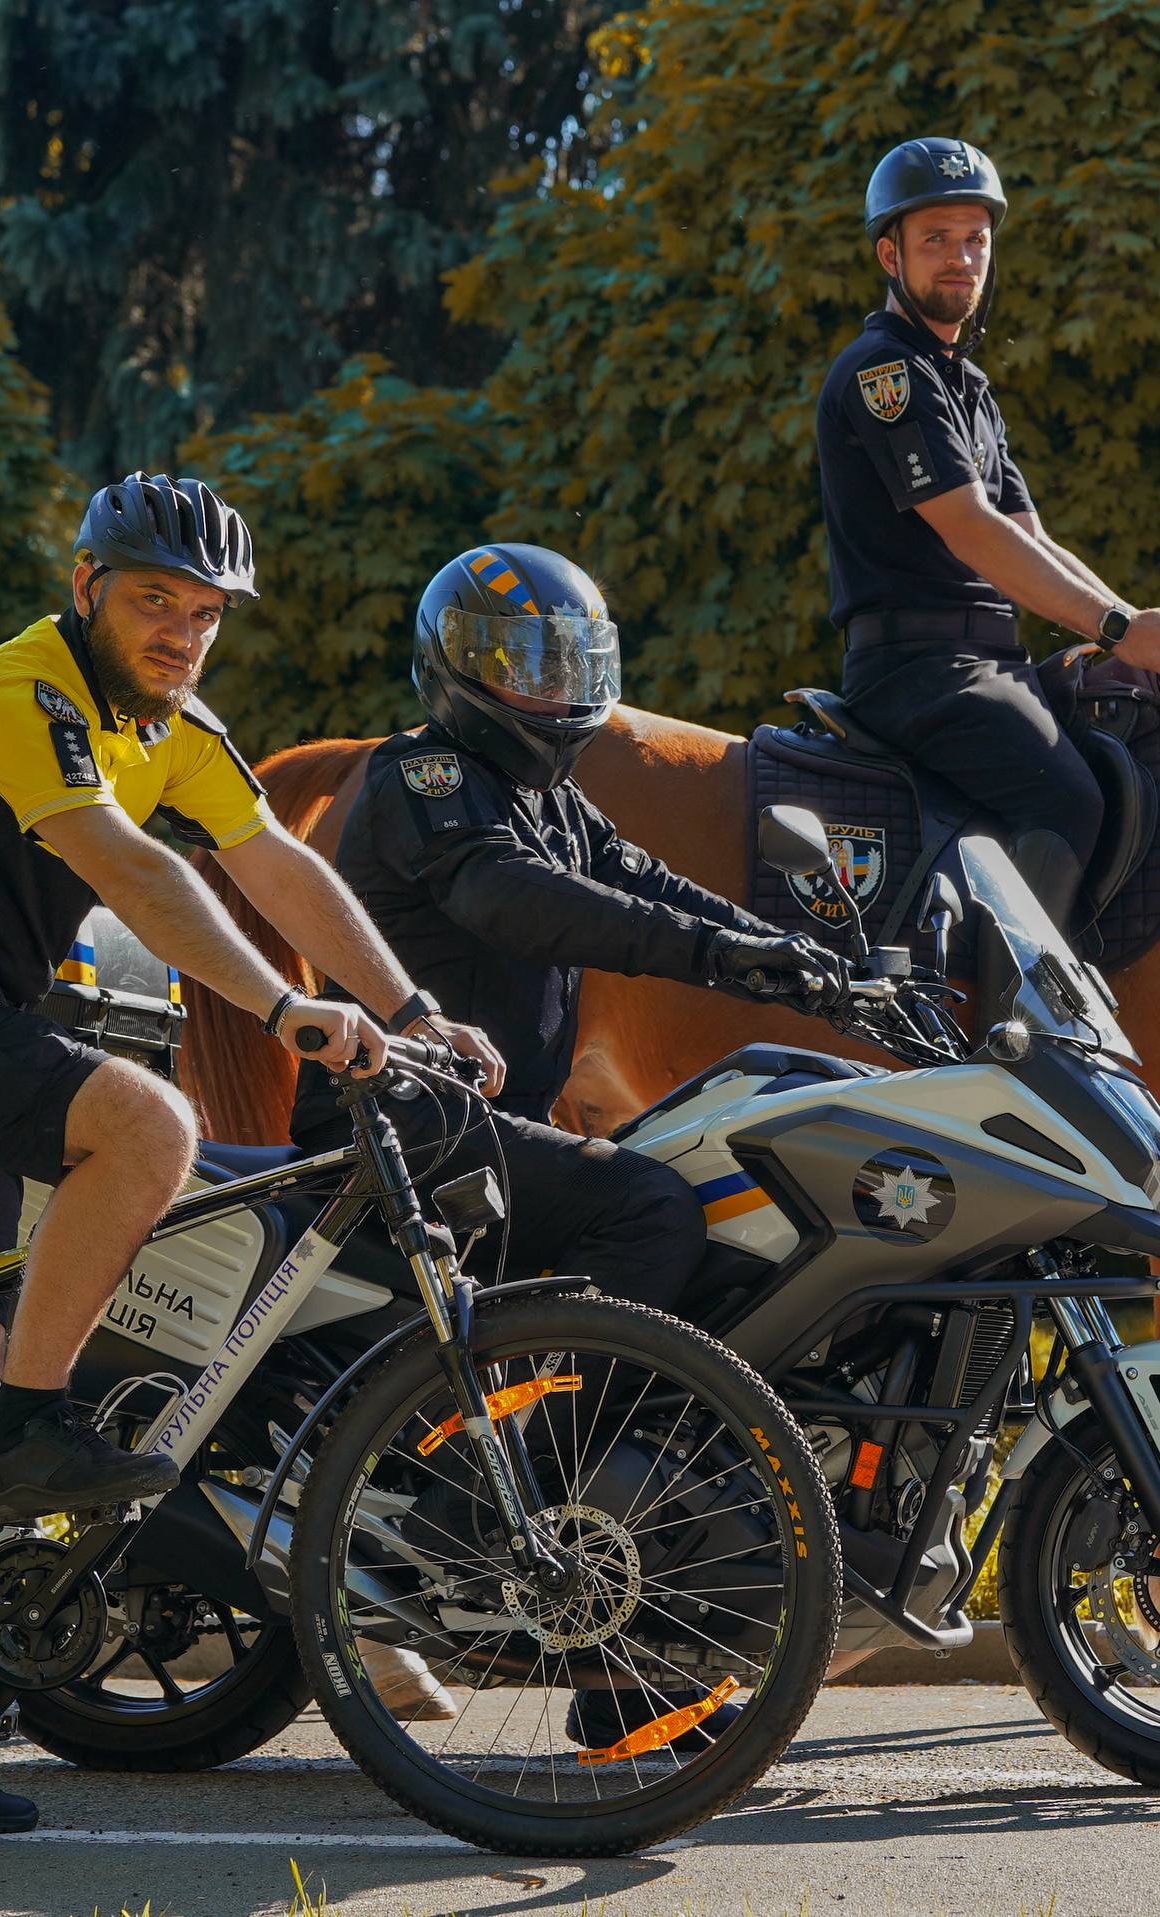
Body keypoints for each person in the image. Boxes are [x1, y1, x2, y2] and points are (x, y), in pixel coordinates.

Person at [0, 472, 504, 1829]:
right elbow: (136, 869)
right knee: (149, 1122)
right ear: (86, 590)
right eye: (153, 603)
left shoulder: (170, 722)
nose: (182, 633)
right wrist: (286, 1009)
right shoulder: (22, 696)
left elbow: (274, 863)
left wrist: (409, 1009)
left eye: (205, 614)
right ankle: (38, 1430)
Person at [286, 541, 843, 1750]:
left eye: (566, 662)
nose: (549, 687)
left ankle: (614, 1555)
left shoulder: (545, 796)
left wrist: (798, 960)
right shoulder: (427, 778)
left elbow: (643, 880)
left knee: (709, 1187)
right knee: (647, 1208)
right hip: (400, 1126)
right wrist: (715, 954)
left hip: (486, 1131)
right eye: (521, 665)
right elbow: (515, 899)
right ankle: (541, 1501)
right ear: (456, 668)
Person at [815, 136, 1160, 925]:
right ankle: (1011, 1001)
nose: (962, 259)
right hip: (918, 672)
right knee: (1067, 799)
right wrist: (1115, 627)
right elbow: (973, 530)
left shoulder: (967, 387)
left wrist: (1143, 634)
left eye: (976, 239)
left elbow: (1030, 538)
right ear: (890, 256)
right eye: (937, 240)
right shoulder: (883, 371)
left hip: (993, 663)